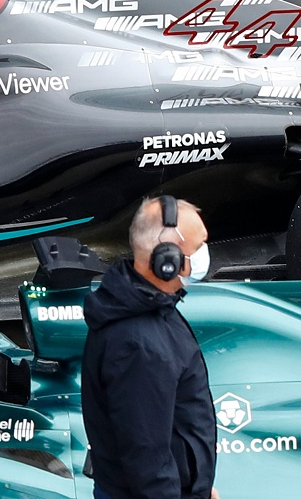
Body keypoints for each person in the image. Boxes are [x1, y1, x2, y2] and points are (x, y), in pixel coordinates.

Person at [82, 195, 219, 499]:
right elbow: (147, 457)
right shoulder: (138, 343)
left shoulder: (152, 308)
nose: (204, 255)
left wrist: (199, 486)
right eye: (198, 248)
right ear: (166, 260)